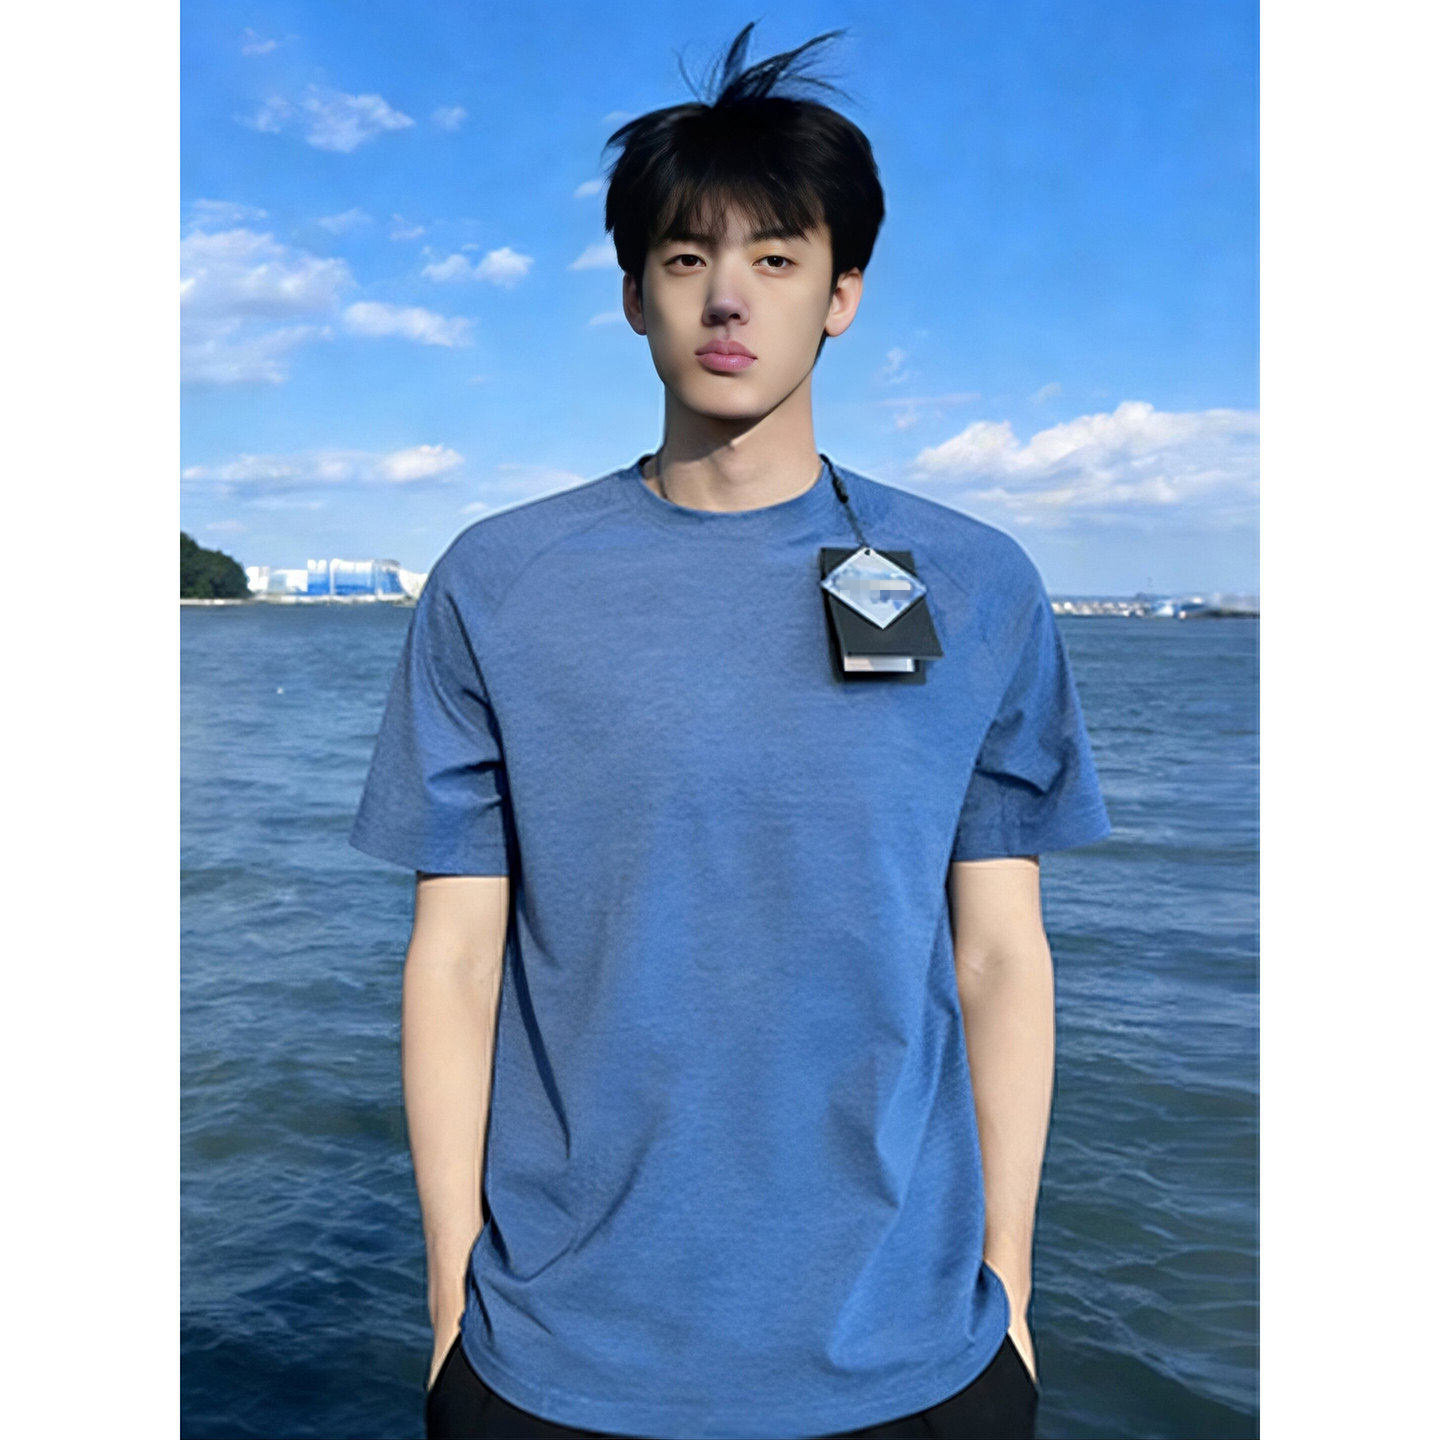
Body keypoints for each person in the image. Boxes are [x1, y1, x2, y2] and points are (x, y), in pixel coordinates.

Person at [350, 21, 1110, 1440]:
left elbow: (1002, 951)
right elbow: (453, 959)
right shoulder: (498, 581)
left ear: (842, 295)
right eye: (686, 257)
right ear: (633, 295)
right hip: (556, 1356)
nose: (727, 300)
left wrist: (1011, 1288)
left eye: (776, 257)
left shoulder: (978, 581)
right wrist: (450, 1308)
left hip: (917, 1353)